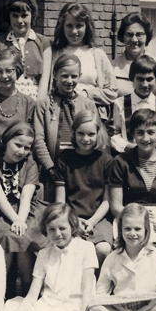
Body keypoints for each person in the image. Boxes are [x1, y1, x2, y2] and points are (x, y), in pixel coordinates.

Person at [4, 203, 99, 311]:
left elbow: (87, 291)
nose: (57, 234)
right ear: (46, 230)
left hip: (74, 307)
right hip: (48, 305)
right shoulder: (44, 254)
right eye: (52, 230)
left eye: (62, 228)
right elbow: (32, 295)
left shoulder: (86, 248)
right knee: (11, 308)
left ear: (72, 227)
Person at [109, 109, 156, 280]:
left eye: (151, 132)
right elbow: (115, 205)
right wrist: (134, 219)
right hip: (130, 217)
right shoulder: (121, 161)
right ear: (133, 135)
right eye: (140, 133)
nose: (145, 138)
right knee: (138, 249)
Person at [0, 122, 46, 298]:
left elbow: (26, 196)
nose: (21, 151)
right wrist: (15, 219)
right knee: (7, 235)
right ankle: (1, 289)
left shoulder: (30, 164)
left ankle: (27, 288)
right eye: (18, 145)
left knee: (25, 235)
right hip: (1, 210)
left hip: (27, 210)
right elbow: (0, 198)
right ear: (6, 141)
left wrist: (20, 220)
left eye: (27, 148)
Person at [55, 110, 114, 266]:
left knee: (102, 249)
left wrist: (92, 222)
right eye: (81, 133)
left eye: (91, 134)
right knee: (72, 248)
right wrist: (74, 221)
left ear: (98, 134)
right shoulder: (65, 159)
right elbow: (60, 201)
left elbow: (107, 202)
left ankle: (96, 280)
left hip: (98, 219)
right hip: (70, 217)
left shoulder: (106, 160)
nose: (85, 139)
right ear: (74, 133)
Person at [33, 54, 101, 190]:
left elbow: (97, 138)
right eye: (64, 76)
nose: (69, 81)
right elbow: (38, 139)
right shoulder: (44, 104)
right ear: (55, 75)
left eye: (74, 76)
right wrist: (50, 168)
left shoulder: (88, 104)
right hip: (51, 172)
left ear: (80, 76)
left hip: (81, 172)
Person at [49, 2, 118, 108]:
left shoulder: (97, 55)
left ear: (87, 26)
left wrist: (87, 94)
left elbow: (112, 92)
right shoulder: (53, 54)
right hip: (59, 110)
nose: (74, 31)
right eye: (69, 26)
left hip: (90, 112)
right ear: (62, 26)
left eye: (79, 26)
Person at [111, 55, 156, 155]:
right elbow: (115, 134)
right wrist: (128, 147)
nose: (145, 84)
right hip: (128, 157)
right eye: (140, 79)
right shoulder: (120, 103)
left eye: (149, 79)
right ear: (132, 79)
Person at [0, 0, 52, 101]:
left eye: (24, 15)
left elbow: (45, 79)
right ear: (9, 16)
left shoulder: (43, 42)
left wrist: (39, 103)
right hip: (8, 97)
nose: (19, 21)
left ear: (32, 15)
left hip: (35, 97)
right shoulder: (0, 42)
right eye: (15, 16)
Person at [111, 12, 156, 100]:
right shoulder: (111, 68)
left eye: (139, 35)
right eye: (129, 34)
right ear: (122, 36)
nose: (134, 40)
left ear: (147, 36)